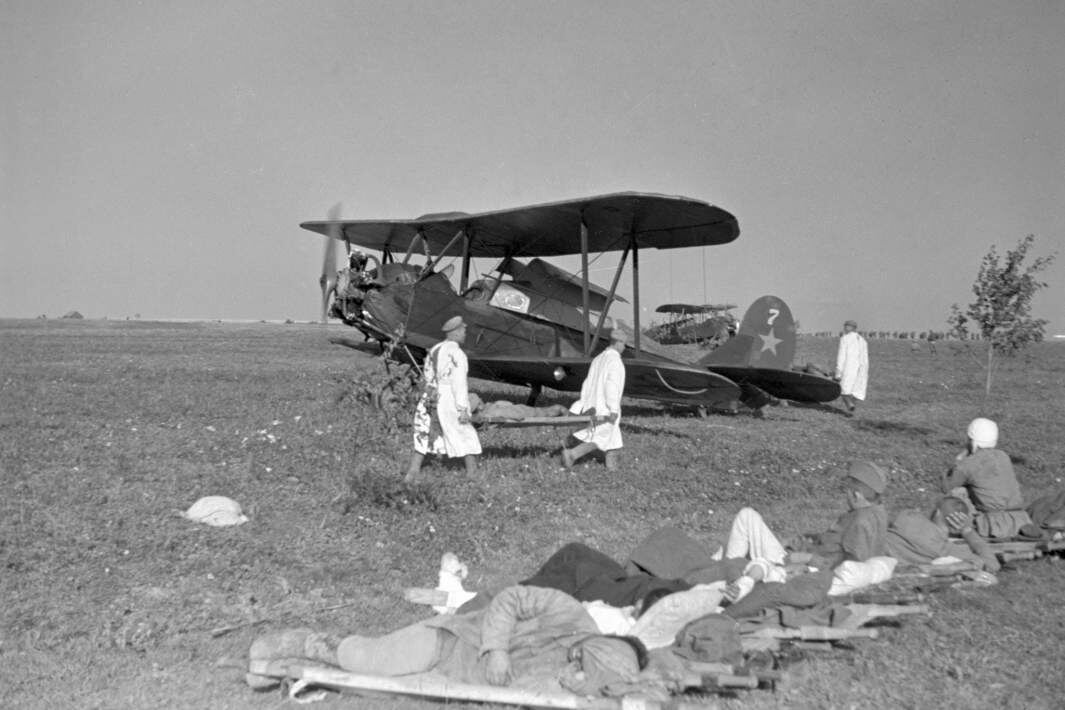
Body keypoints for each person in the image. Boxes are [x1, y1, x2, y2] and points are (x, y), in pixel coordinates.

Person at [245, 585, 648, 697]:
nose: (575, 667)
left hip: (455, 681)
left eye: (585, 672)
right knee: (366, 661)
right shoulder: (568, 611)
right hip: (448, 640)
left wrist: (569, 684)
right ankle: (302, 642)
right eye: (581, 658)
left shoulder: (577, 689)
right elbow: (509, 598)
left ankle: (298, 672)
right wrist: (497, 650)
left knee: (374, 690)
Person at [718, 461, 889, 604]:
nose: (846, 497)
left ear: (857, 495)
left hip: (801, 568)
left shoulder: (860, 522)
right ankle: (731, 571)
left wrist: (806, 559)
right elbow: (831, 542)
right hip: (800, 558)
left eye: (848, 493)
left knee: (746, 516)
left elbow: (850, 565)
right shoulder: (874, 512)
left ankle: (731, 576)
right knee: (743, 526)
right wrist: (798, 541)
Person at [405, 316, 481, 482]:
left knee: (424, 430)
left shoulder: (434, 349)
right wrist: (462, 409)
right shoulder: (457, 354)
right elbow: (459, 384)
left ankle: (413, 470)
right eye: (463, 331)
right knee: (462, 430)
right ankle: (472, 472)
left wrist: (430, 390)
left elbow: (427, 374)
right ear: (456, 332)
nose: (465, 334)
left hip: (430, 395)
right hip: (448, 397)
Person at [940, 417, 1034, 539]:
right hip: (1020, 521)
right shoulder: (1003, 456)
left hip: (995, 526)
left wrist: (958, 461)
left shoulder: (969, 464)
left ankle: (958, 528)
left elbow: (945, 487)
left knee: (957, 492)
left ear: (972, 441)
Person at [561, 329, 627, 470]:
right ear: (618, 342)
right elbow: (612, 386)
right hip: (605, 407)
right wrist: (613, 409)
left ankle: (612, 466)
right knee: (601, 437)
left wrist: (583, 403)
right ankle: (572, 454)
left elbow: (587, 383)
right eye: (624, 344)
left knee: (610, 435)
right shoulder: (615, 361)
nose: (624, 347)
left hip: (593, 405)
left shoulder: (598, 359)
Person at [886, 496, 1000, 572]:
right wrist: (968, 531)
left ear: (937, 512)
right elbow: (992, 564)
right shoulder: (946, 550)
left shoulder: (907, 517)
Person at [834, 319, 869, 414]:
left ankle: (850, 405)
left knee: (843, 389)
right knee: (856, 390)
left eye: (846, 326)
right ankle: (852, 405)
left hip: (848, 367)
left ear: (852, 328)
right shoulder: (863, 340)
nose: (845, 328)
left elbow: (841, 356)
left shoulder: (845, 339)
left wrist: (838, 372)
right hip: (861, 368)